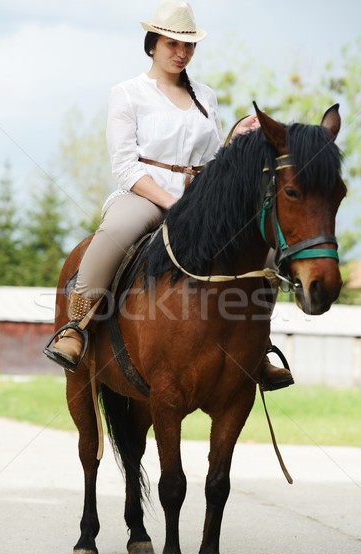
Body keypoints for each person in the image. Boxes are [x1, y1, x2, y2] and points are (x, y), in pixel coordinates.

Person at [46, 0, 293, 391]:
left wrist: (235, 139)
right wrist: (172, 203)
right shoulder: (127, 93)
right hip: (143, 192)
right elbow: (125, 165)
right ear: (152, 44)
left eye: (188, 46)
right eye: (172, 44)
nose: (181, 53)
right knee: (114, 234)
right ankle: (76, 328)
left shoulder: (205, 97)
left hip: (201, 197)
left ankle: (257, 348)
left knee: (260, 253)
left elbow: (214, 160)